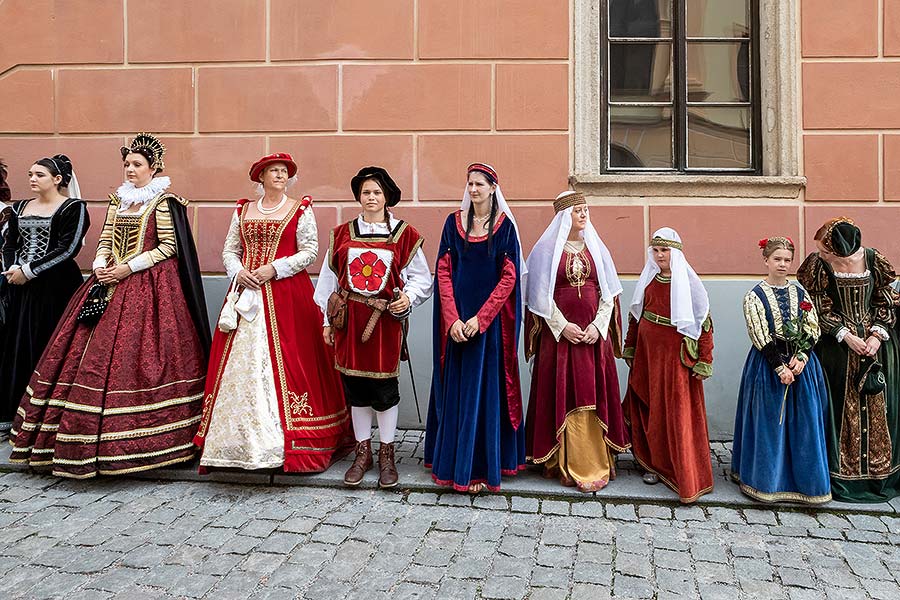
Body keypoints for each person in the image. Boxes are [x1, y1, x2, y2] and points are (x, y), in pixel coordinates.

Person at [8, 133, 211, 478]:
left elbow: (169, 247)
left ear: (153, 168)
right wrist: (101, 263)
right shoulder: (119, 200)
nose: (130, 170)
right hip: (105, 283)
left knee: (138, 355)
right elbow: (105, 237)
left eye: (137, 165)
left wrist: (127, 267)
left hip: (148, 287)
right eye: (127, 164)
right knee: (85, 354)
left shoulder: (163, 202)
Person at [194, 153, 351, 472]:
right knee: (242, 364)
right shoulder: (243, 210)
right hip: (245, 293)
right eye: (273, 171)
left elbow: (309, 251)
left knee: (294, 361)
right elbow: (230, 250)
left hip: (286, 295)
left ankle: (285, 443)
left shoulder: (300, 208)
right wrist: (239, 272)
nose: (280, 176)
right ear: (261, 177)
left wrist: (274, 269)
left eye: (284, 172)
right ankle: (234, 443)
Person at [313, 166, 432, 488]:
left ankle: (386, 454)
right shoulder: (341, 234)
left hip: (384, 325)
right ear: (359, 196)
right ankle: (362, 453)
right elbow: (327, 281)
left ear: (387, 196)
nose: (371, 197)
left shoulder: (404, 235)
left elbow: (422, 278)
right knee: (356, 389)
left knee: (384, 391)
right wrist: (327, 320)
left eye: (377, 192)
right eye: (366, 192)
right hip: (350, 323)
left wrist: (408, 297)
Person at [424, 163, 526, 493]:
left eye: (479, 184)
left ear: (493, 187)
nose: (473, 190)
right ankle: (456, 467)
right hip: (457, 326)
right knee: (459, 392)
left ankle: (482, 469)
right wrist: (452, 319)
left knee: (486, 395)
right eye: (469, 184)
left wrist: (480, 321)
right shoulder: (453, 225)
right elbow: (443, 271)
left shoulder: (505, 228)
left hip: (489, 329)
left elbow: (508, 279)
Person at [523, 191, 629, 492]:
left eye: (585, 210)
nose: (583, 215)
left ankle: (597, 459)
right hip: (560, 339)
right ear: (563, 216)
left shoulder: (595, 249)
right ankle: (562, 460)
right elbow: (538, 296)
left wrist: (598, 325)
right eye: (577, 210)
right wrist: (562, 325)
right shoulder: (545, 251)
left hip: (594, 338)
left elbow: (608, 291)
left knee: (592, 389)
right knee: (563, 390)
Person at [798, 218, 900, 502]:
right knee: (840, 409)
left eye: (825, 250)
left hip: (876, 349)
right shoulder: (818, 266)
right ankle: (840, 476)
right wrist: (846, 335)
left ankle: (880, 476)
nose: (820, 254)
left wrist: (876, 337)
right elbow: (818, 308)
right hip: (837, 351)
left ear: (839, 249)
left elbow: (884, 301)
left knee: (881, 406)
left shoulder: (872, 260)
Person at [730, 237, 831, 504]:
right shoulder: (755, 296)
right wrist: (778, 367)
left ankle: (805, 482)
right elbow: (759, 334)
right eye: (777, 259)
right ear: (766, 261)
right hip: (768, 365)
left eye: (787, 260)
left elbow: (812, 327)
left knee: (805, 422)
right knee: (769, 422)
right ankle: (766, 481)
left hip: (801, 367)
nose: (783, 264)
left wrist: (802, 356)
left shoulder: (800, 293)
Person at [622, 227, 714, 503]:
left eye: (665, 250)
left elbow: (704, 323)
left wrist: (704, 359)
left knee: (674, 414)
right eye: (656, 250)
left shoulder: (689, 283)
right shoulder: (648, 280)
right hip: (649, 357)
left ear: (675, 253)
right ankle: (652, 463)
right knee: (650, 409)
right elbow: (637, 316)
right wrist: (631, 346)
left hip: (675, 359)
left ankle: (677, 468)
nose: (660, 255)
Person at [0, 155, 89, 434]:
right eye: (30, 174)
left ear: (57, 179)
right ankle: (15, 410)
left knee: (47, 343)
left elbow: (68, 248)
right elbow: (9, 243)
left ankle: (47, 413)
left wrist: (30, 270)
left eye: (39, 174)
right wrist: (13, 268)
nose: (32, 179)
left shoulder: (73, 208)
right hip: (21, 288)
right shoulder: (20, 208)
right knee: (16, 346)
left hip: (56, 288)